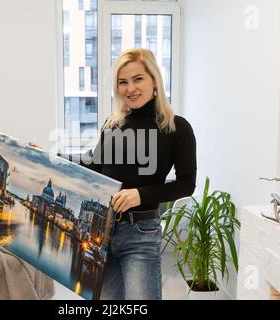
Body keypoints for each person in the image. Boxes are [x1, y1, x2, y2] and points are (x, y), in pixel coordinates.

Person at [78, 48, 197, 300]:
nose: (130, 88)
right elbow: (94, 169)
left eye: (138, 79)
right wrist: (49, 158)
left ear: (154, 80)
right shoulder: (113, 124)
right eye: (123, 82)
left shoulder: (177, 127)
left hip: (141, 235)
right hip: (102, 233)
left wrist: (140, 195)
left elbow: (186, 184)